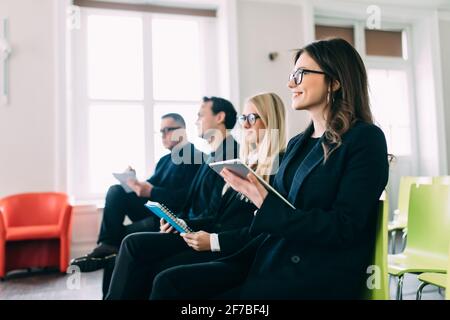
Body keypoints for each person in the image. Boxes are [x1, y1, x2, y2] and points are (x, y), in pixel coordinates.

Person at [149, 38, 390, 300]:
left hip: (311, 273)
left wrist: (263, 203)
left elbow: (344, 227)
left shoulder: (365, 139)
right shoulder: (298, 143)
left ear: (334, 81)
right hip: (270, 256)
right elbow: (273, 215)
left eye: (300, 74)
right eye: (291, 75)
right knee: (168, 281)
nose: (290, 84)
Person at [105, 92, 287, 299]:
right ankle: (107, 246)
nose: (244, 125)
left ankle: (108, 247)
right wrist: (180, 222)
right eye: (243, 119)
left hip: (229, 246)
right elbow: (218, 214)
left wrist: (212, 239)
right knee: (130, 240)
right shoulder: (241, 162)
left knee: (149, 261)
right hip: (206, 230)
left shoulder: (272, 166)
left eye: (252, 118)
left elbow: (259, 227)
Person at [70, 113, 203, 272]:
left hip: (168, 217)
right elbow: (148, 187)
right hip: (153, 210)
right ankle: (106, 245)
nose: (163, 135)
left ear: (182, 131)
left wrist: (151, 191)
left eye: (168, 130)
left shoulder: (195, 158)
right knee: (116, 191)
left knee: (118, 238)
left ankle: (108, 249)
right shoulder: (164, 160)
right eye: (161, 131)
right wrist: (134, 181)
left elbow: (187, 198)